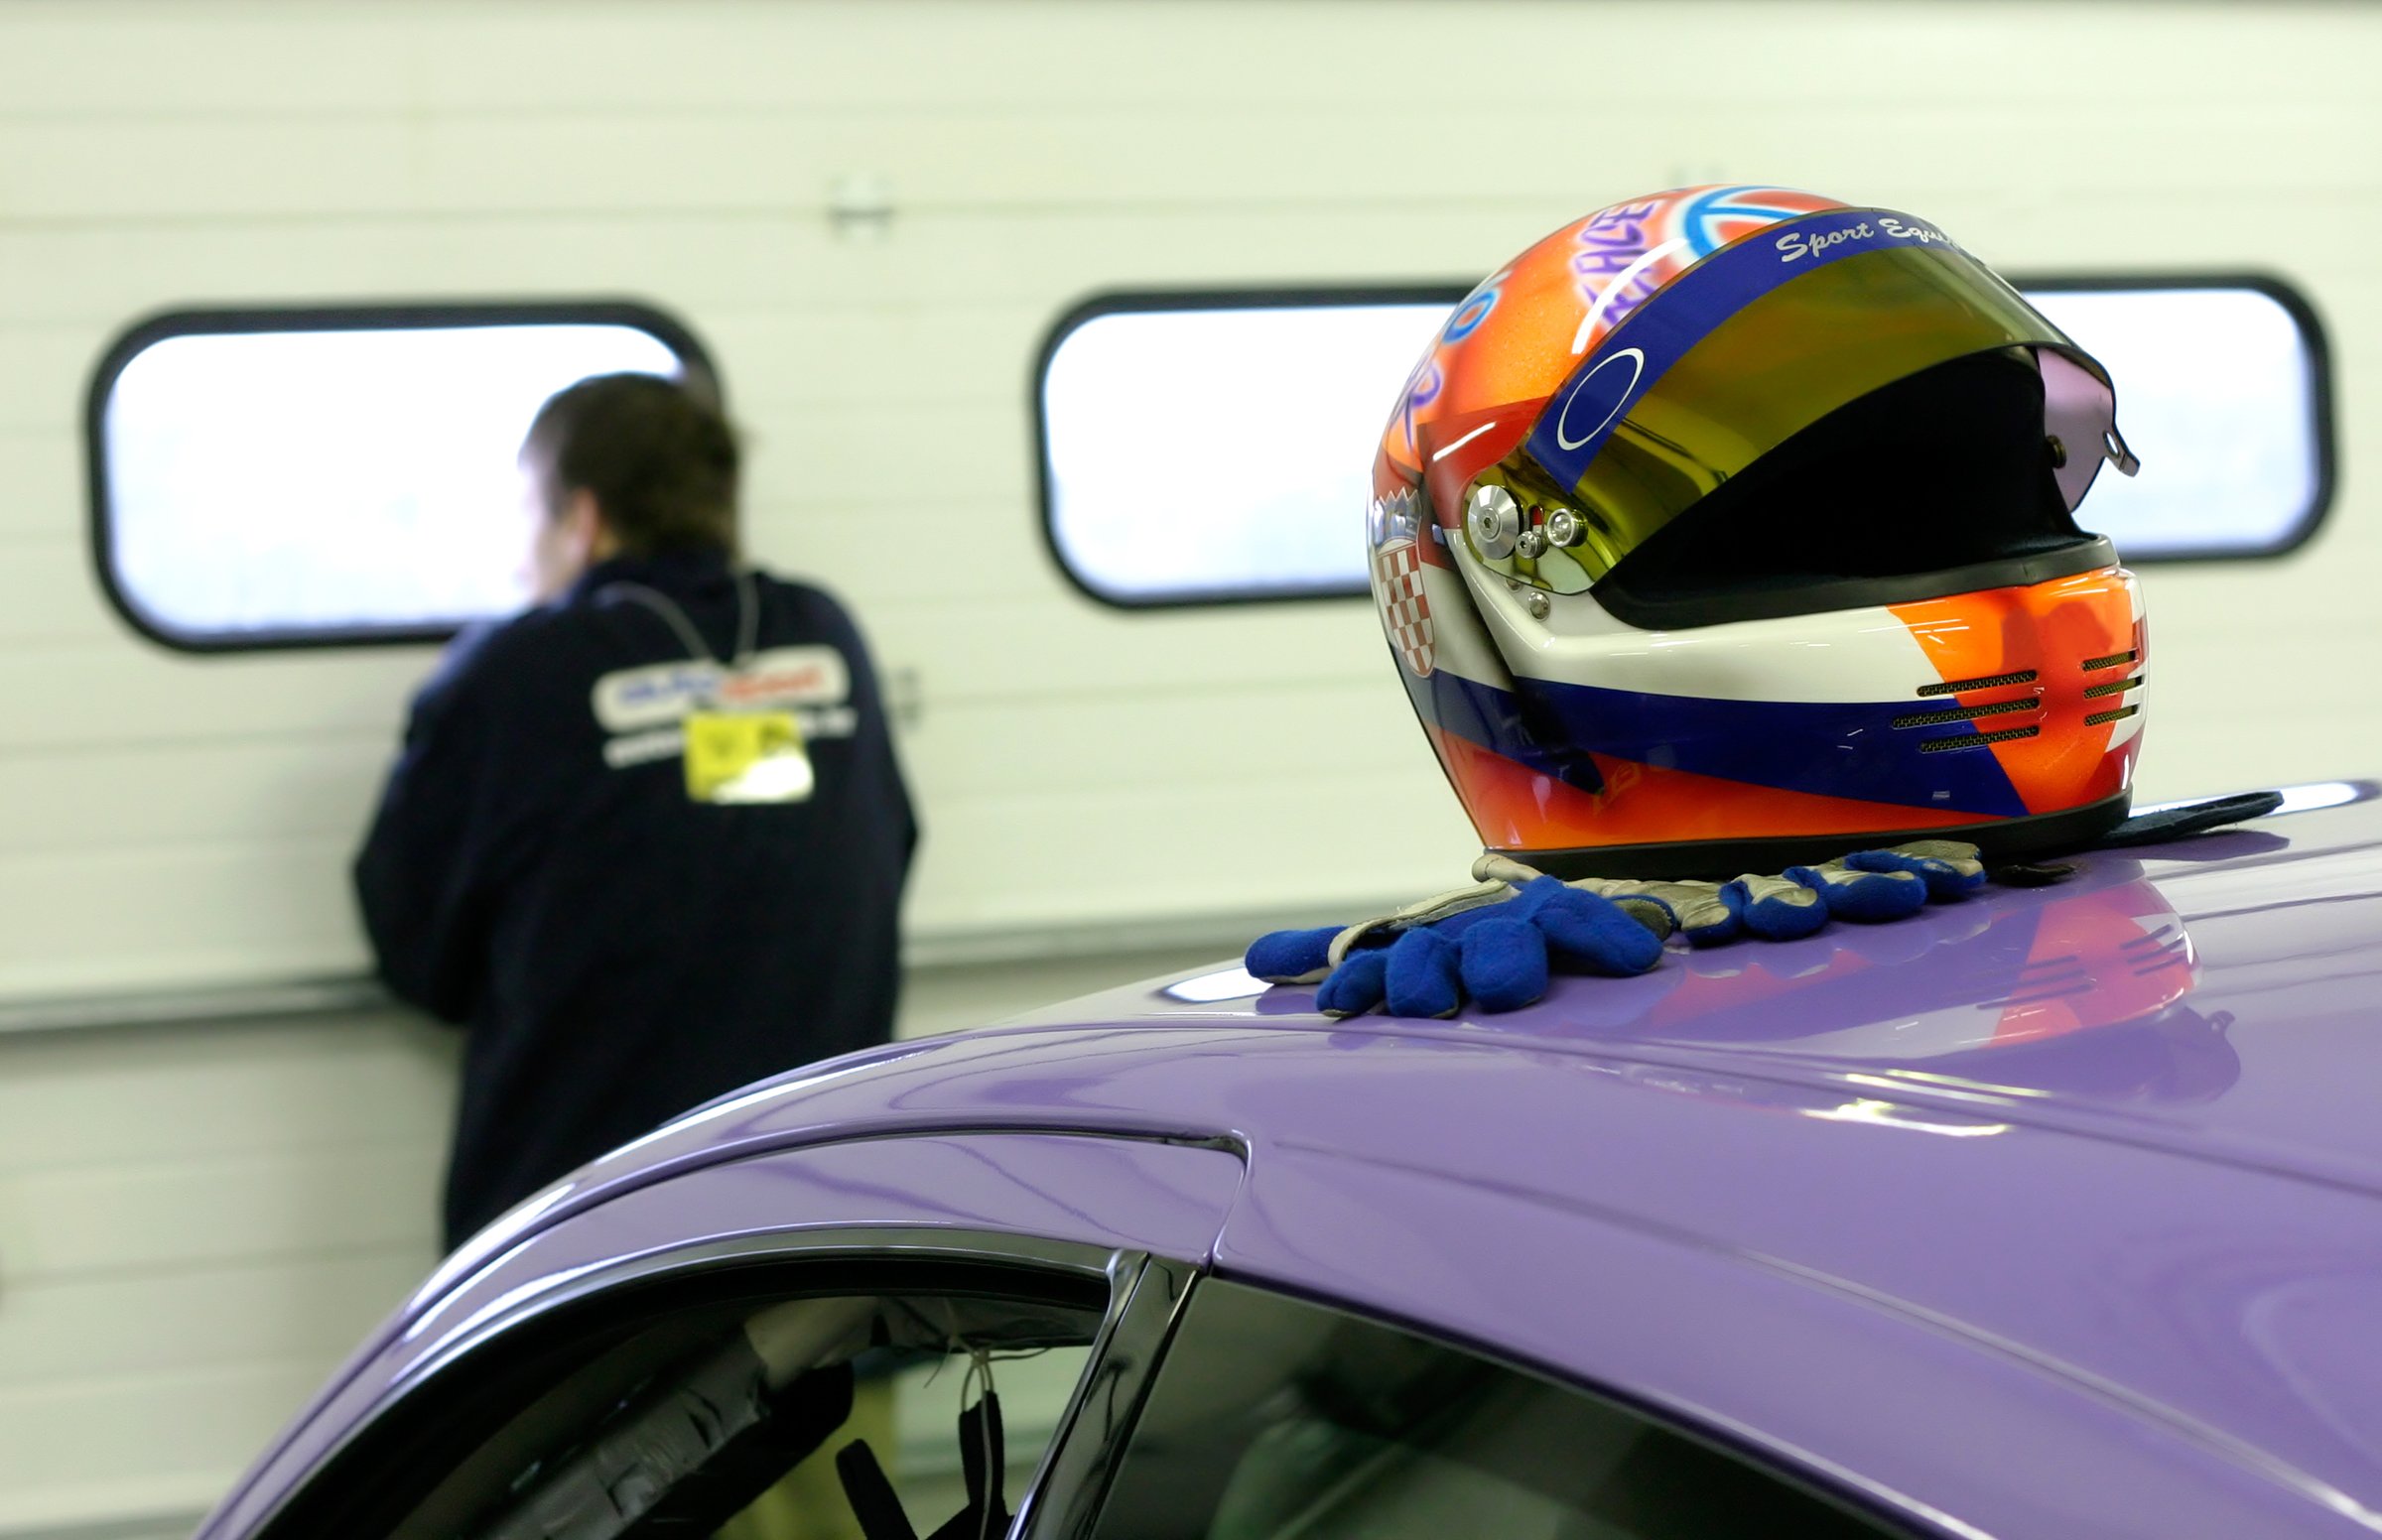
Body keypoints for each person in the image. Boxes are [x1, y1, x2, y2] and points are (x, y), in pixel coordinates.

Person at [355, 371, 916, 1250]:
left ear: (581, 520)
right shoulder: (822, 634)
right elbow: (884, 845)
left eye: (528, 521)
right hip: (822, 1215)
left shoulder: (517, 672)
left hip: (583, 1243)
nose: (521, 558)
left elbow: (414, 943)